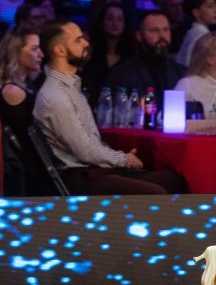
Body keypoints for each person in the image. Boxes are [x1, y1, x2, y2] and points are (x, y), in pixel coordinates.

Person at [33, 19, 188, 195]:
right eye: (78, 40)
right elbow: (85, 152)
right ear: (60, 50)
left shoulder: (71, 87)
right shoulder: (55, 96)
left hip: (93, 170)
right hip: (79, 176)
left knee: (174, 180)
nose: (86, 43)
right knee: (155, 192)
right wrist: (123, 159)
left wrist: (120, 158)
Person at [0, 25, 48, 195]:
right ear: (17, 52)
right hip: (29, 178)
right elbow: (33, 141)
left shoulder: (25, 87)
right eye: (34, 49)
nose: (41, 54)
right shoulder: (12, 91)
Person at [107, 10, 185, 113]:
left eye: (166, 30)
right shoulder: (123, 72)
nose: (162, 36)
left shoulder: (181, 72)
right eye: (154, 31)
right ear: (139, 36)